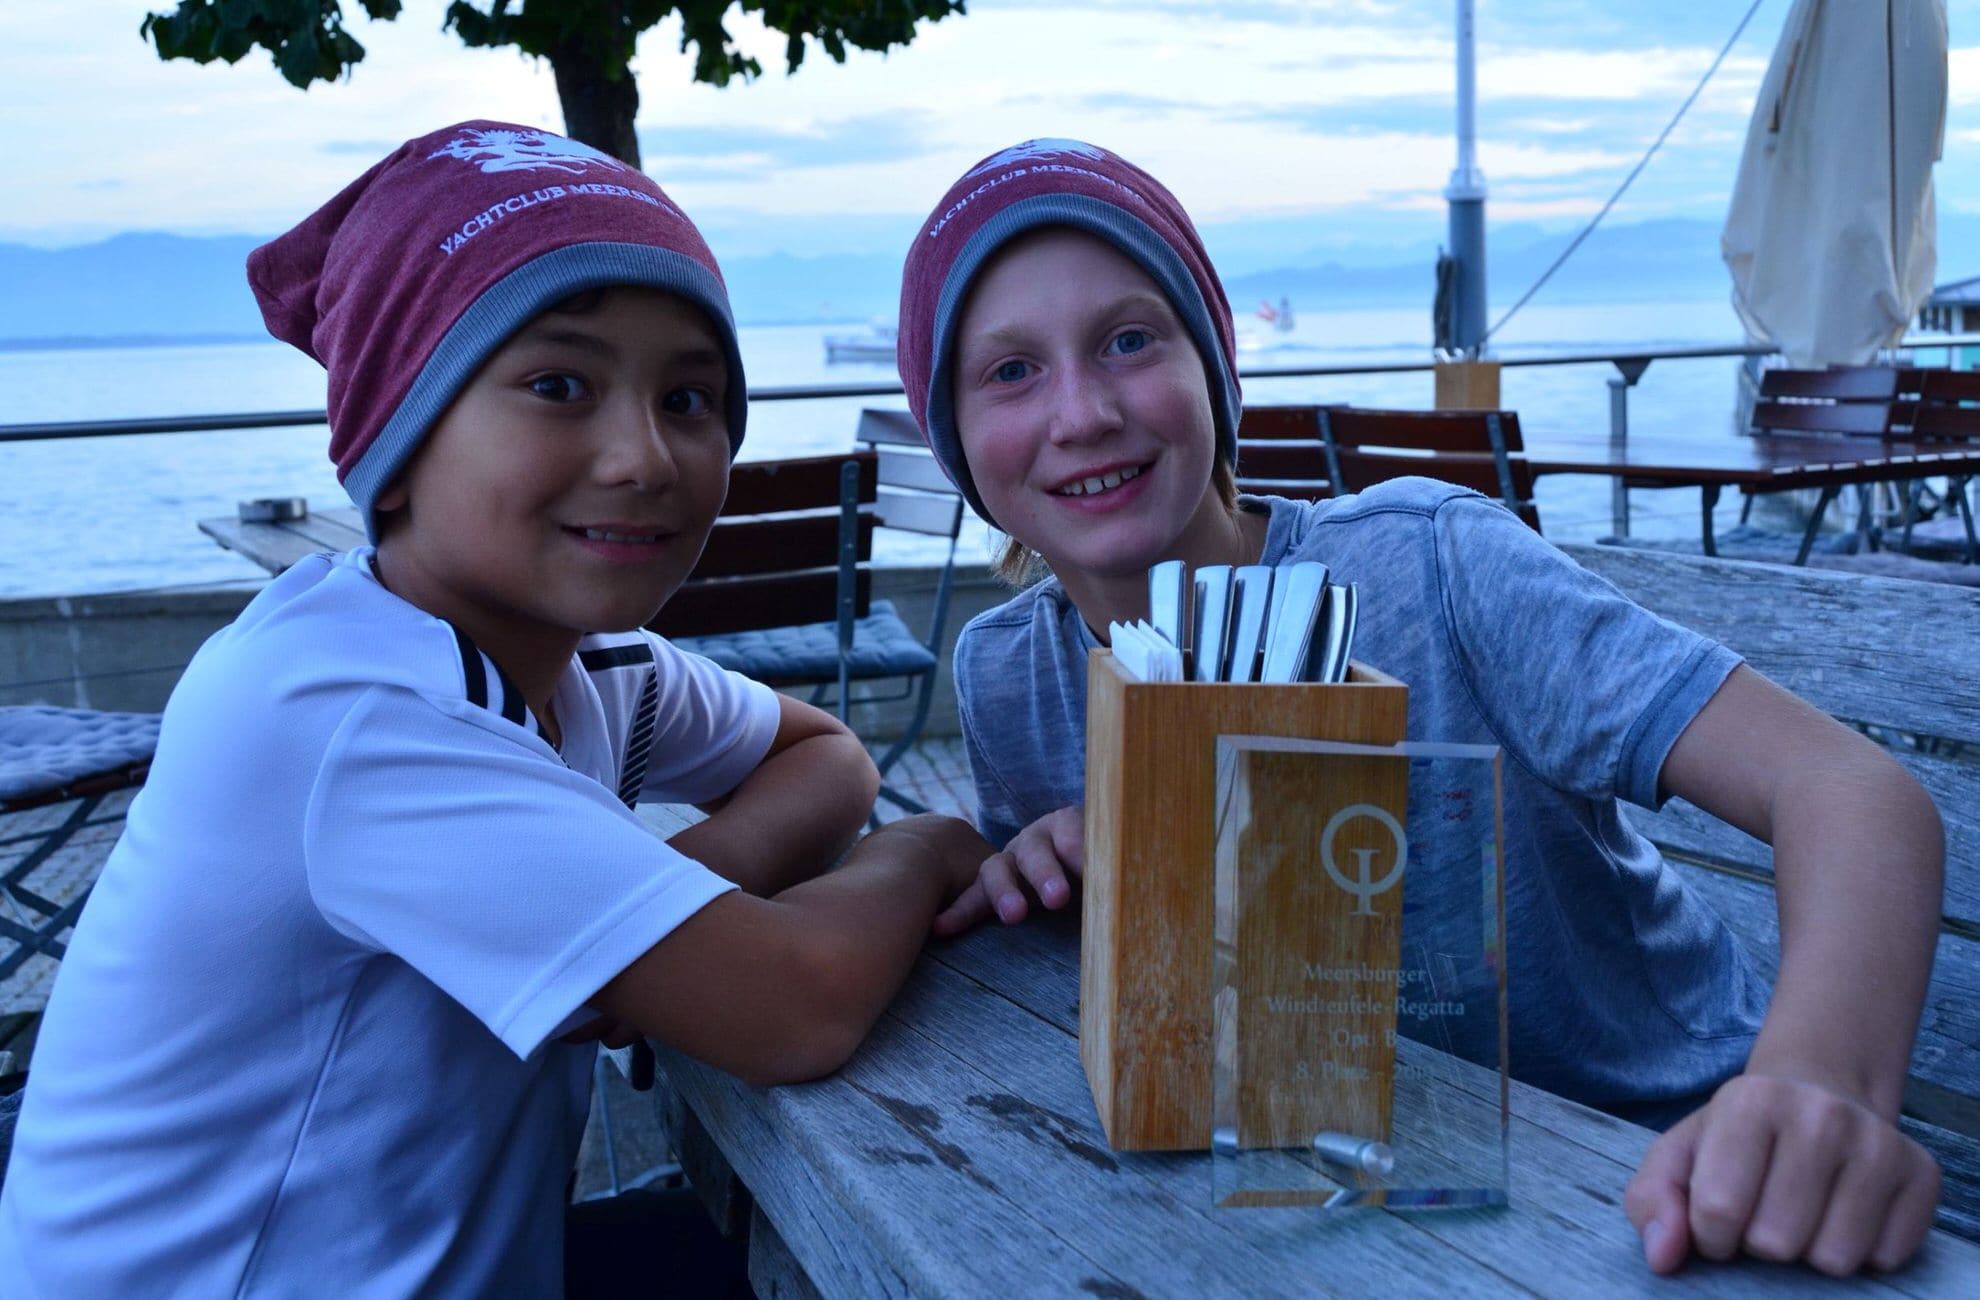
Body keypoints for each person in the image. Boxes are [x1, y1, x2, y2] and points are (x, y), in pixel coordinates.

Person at [894, 139, 1944, 1277]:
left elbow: (1851, 788)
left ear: (1212, 366)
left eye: (1131, 339)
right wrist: (1063, 884)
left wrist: (1815, 1081)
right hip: (1336, 1200)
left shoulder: (1430, 568)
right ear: (954, 440)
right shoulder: (1010, 677)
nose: (1085, 410)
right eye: (1009, 372)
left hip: (1672, 1159)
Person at [0, 121, 989, 1297]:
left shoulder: (596, 662)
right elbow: (796, 1002)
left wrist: (680, 892)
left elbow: (826, 755)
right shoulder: (349, 710)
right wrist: (935, 845)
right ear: (397, 442)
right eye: (558, 385)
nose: (646, 455)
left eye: (691, 396)